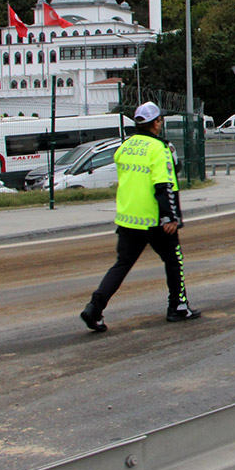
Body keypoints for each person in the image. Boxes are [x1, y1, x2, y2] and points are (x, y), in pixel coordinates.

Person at [80, 102, 201, 331]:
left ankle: (94, 308)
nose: (161, 123)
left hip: (128, 218)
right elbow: (164, 185)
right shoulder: (159, 148)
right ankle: (178, 306)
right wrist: (170, 217)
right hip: (155, 218)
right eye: (160, 120)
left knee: (122, 265)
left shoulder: (125, 146)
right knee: (174, 261)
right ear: (155, 124)